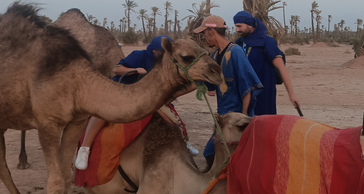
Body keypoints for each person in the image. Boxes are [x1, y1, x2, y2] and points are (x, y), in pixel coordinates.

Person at [74, 36, 199, 170]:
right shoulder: (139, 56)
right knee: (102, 114)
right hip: (124, 92)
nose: (165, 56)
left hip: (149, 98)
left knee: (171, 118)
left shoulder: (167, 63)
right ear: (154, 52)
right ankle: (85, 149)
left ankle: (183, 141)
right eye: (163, 53)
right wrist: (135, 70)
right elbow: (116, 70)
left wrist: (171, 95)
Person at [193, 15, 261, 167]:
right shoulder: (215, 55)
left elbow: (247, 89)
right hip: (223, 120)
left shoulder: (236, 52)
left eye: (204, 33)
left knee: (213, 155)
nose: (204, 38)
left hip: (235, 121)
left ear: (212, 31)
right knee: (213, 155)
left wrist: (242, 121)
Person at [233, 11, 299, 115]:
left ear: (250, 25)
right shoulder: (240, 43)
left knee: (263, 126)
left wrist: (292, 95)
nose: (237, 30)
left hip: (264, 96)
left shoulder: (267, 42)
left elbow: (282, 69)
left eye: (239, 26)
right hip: (242, 95)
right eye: (236, 26)